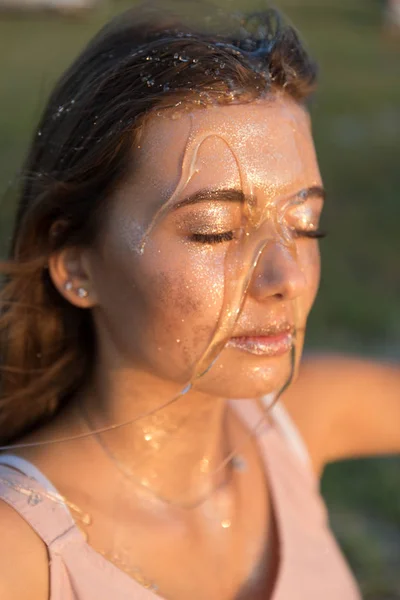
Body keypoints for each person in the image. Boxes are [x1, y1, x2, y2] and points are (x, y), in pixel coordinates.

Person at [0, 5, 399, 600]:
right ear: (76, 265)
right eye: (215, 230)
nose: (286, 276)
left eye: (305, 224)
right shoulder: (22, 556)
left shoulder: (294, 422)